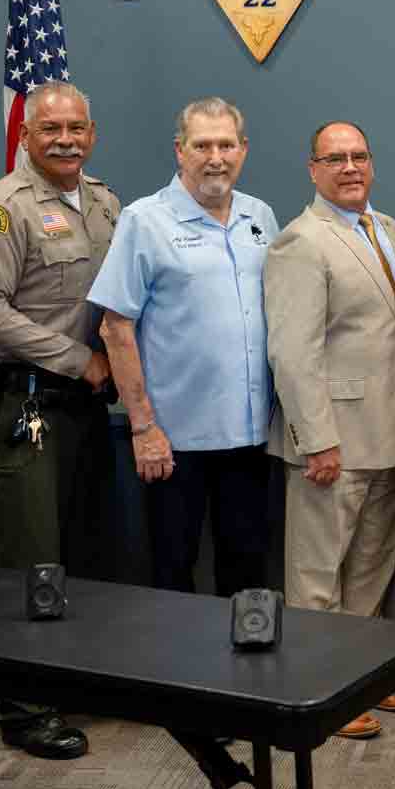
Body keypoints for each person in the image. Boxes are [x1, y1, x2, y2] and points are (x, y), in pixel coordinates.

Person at [0, 80, 120, 760]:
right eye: (50, 127)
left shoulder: (106, 201)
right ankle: (26, 708)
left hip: (87, 411)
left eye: (76, 127)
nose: (65, 139)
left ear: (91, 132)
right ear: (25, 135)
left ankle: (69, 680)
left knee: (85, 553)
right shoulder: (0, 210)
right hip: (29, 405)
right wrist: (79, 358)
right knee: (34, 561)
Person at [91, 97, 279, 600]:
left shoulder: (260, 217)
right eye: (202, 145)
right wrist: (143, 427)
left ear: (243, 151)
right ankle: (175, 679)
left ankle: (246, 679)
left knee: (247, 574)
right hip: (173, 444)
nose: (215, 156)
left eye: (226, 144)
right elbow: (115, 328)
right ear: (180, 151)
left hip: (250, 436)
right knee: (172, 576)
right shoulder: (143, 220)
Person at [266, 121, 395, 740]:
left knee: (371, 569)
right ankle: (318, 691)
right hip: (332, 438)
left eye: (359, 155)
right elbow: (293, 352)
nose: (350, 167)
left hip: (390, 428)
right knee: (316, 573)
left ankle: (360, 678)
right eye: (336, 158)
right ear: (313, 169)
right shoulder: (300, 242)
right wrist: (316, 438)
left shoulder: (392, 232)